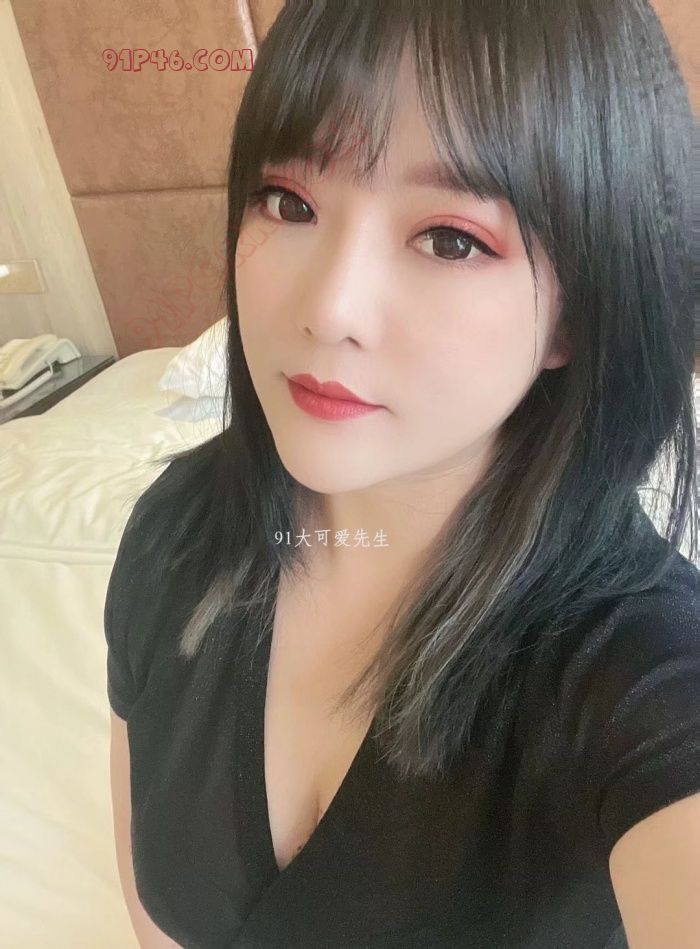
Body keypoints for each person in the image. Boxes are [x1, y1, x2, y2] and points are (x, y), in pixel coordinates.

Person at [105, 2, 699, 946]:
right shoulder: (175, 532)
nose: (330, 308)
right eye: (288, 202)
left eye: (452, 239)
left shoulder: (641, 670)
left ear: (579, 310)